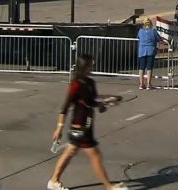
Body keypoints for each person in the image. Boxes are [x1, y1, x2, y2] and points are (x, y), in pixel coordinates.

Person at [48, 54, 126, 190]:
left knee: (70, 152)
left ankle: (54, 181)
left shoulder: (91, 83)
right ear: (84, 67)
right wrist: (59, 128)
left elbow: (93, 103)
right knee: (95, 155)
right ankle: (108, 186)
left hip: (88, 125)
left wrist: (105, 104)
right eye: (90, 64)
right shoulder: (76, 85)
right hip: (79, 127)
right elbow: (65, 107)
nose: (92, 66)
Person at [137, 17, 168, 90]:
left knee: (141, 68)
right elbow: (159, 40)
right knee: (149, 68)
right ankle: (148, 84)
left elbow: (138, 38)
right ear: (150, 24)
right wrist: (165, 41)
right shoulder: (153, 31)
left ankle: (141, 84)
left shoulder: (140, 31)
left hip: (142, 51)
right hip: (151, 51)